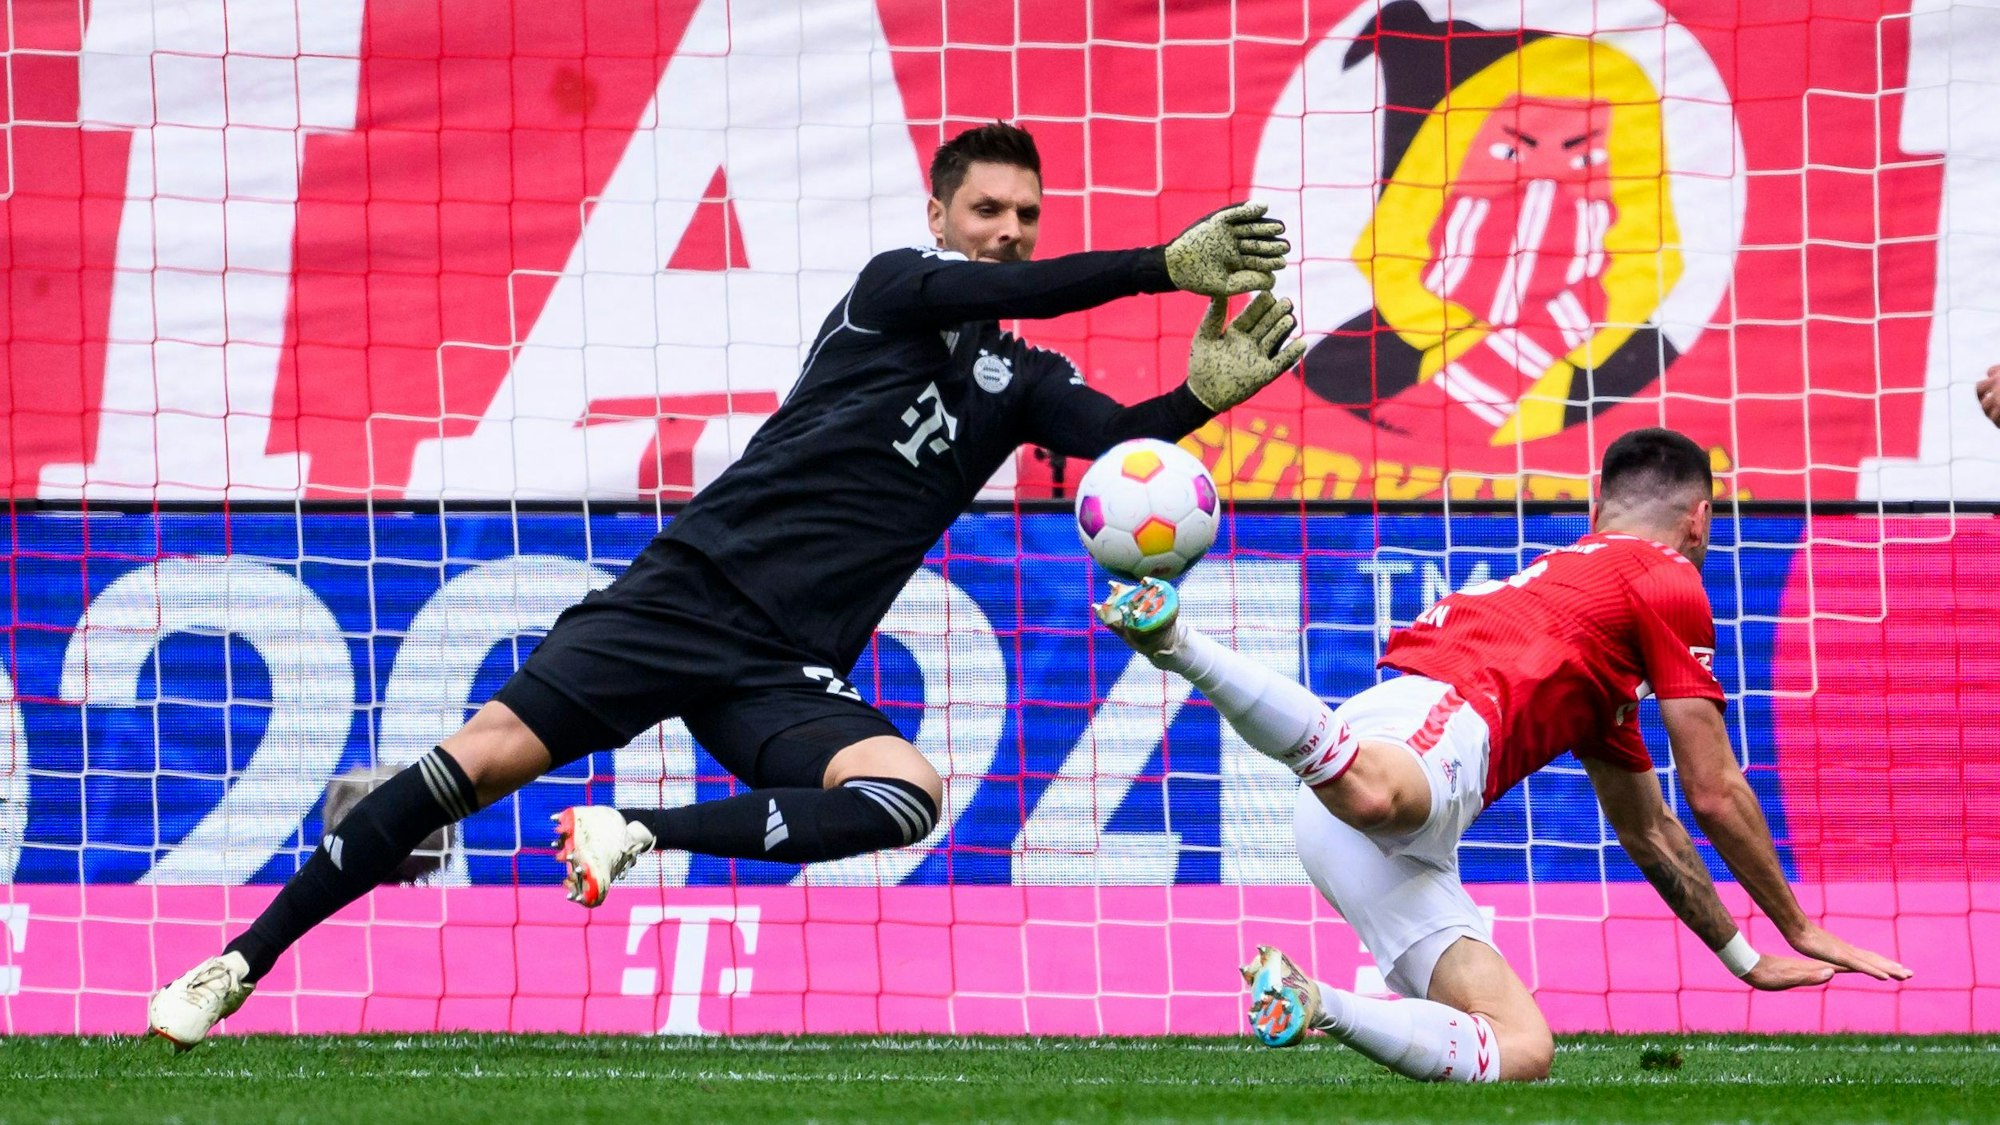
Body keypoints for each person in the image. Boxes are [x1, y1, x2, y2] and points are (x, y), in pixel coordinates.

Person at [146, 121, 1311, 1049]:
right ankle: (236, 964)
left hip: (784, 667)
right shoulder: (894, 289)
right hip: (685, 597)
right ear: (939, 217)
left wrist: (1195, 403)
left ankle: (632, 831)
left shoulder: (1021, 378)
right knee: (474, 764)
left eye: (1024, 216)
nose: (1006, 232)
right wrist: (1158, 268)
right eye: (985, 211)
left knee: (904, 794)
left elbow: (1115, 455)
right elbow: (1043, 288)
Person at [1094, 427, 1911, 1082]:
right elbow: (1714, 788)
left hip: (1368, 824)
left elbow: (1652, 831)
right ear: (1700, 520)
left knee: (1522, 1047)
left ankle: (1312, 1002)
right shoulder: (1664, 573)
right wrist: (1798, 924)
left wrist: (1745, 956)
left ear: (1595, 504)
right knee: (1379, 795)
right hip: (1415, 738)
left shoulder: (1588, 652)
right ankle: (1176, 640)